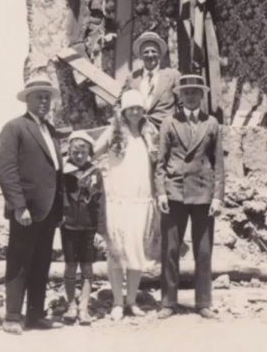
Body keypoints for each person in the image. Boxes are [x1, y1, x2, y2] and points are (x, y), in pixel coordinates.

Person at [0, 75, 66, 335]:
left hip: (48, 211)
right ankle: (13, 316)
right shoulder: (15, 128)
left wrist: (59, 209)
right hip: (26, 210)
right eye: (39, 96)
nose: (44, 101)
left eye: (47, 97)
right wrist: (19, 205)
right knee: (19, 261)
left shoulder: (51, 131)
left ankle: (36, 314)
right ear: (27, 99)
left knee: (41, 262)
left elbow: (54, 171)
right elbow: (6, 171)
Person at [154, 74, 225, 320]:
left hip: (204, 194)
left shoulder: (212, 123)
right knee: (170, 249)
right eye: (186, 93)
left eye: (195, 92)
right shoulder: (169, 122)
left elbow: (218, 164)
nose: (190, 96)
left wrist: (218, 196)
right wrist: (161, 192)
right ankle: (168, 302)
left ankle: (203, 302)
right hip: (174, 193)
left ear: (202, 95)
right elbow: (160, 163)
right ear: (180, 96)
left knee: (204, 251)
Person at [91, 89, 159, 321]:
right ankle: (117, 302)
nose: (135, 112)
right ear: (123, 110)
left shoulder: (149, 133)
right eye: (131, 108)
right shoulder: (113, 132)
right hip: (117, 201)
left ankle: (132, 301)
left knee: (137, 251)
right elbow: (91, 152)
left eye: (139, 108)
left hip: (142, 201)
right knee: (117, 252)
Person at [60, 131, 102, 326]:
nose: (79, 156)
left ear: (89, 152)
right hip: (68, 225)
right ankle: (70, 305)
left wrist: (101, 230)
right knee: (70, 264)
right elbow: (58, 196)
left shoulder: (95, 172)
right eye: (75, 152)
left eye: (83, 152)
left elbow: (101, 202)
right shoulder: (63, 171)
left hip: (88, 226)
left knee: (87, 265)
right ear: (69, 151)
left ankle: (83, 308)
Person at [124, 31, 180, 129]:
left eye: (154, 51)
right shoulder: (132, 77)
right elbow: (119, 104)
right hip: (138, 131)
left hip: (166, 131)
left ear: (159, 54)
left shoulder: (173, 75)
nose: (150, 55)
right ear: (140, 55)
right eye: (146, 52)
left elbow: (183, 105)